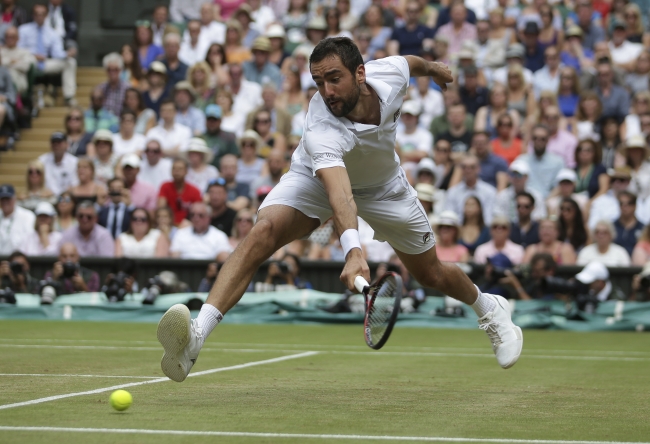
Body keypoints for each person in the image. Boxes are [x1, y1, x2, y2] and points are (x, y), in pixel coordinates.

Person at [156, 37, 523, 383]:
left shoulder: (390, 74)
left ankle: (489, 308)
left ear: (360, 73)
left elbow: (412, 64)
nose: (327, 91)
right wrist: (354, 251)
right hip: (317, 178)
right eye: (319, 82)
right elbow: (339, 193)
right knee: (264, 232)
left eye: (335, 79)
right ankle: (195, 339)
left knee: (431, 274)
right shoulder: (322, 126)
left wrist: (435, 69)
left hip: (384, 188)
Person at [18, 3, 76, 104]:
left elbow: (57, 53)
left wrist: (67, 54)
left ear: (46, 15)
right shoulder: (23, 30)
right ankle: (23, 96)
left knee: (70, 62)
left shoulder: (52, 33)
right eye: (37, 14)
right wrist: (32, 55)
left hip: (45, 63)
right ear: (33, 15)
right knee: (25, 61)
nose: (39, 17)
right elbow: (18, 49)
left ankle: (68, 97)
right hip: (28, 61)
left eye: (42, 14)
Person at [445, 154, 497, 225]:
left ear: (478, 169)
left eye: (472, 167)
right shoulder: (452, 192)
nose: (468, 170)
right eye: (464, 167)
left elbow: (489, 218)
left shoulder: (490, 192)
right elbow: (449, 217)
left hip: (483, 231)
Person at [515, 125, 564, 198]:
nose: (539, 141)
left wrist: (547, 201)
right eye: (535, 138)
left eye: (542, 139)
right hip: (525, 202)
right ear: (531, 139)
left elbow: (560, 186)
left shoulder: (558, 162)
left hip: (548, 201)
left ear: (548, 140)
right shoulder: (522, 160)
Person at [158, 158, 203, 226]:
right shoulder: (165, 186)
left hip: (188, 226)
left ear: (186, 171)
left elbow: (198, 213)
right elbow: (161, 209)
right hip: (168, 225)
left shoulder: (195, 191)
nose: (176, 171)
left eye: (180, 169)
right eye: (174, 169)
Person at [0, 184, 36, 256]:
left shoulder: (27, 216)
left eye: (8, 199)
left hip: (19, 259)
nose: (5, 202)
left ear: (14, 199)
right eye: (2, 199)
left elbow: (31, 242)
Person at [38, 131, 78, 196]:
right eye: (54, 142)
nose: (56, 145)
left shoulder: (74, 162)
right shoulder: (42, 161)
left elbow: (75, 184)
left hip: (68, 197)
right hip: (47, 198)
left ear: (66, 144)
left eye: (59, 142)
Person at [395, 100, 432, 169]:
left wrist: (400, 154)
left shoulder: (425, 135)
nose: (407, 118)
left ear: (416, 117)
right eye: (404, 115)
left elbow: (422, 154)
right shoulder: (395, 135)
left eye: (410, 115)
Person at [201, 104, 239, 169]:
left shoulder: (229, 136)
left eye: (214, 120)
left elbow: (234, 158)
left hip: (224, 173)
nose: (212, 123)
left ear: (220, 121)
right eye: (209, 120)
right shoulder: (200, 138)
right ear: (205, 121)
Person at [0, 26, 33, 95]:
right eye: (7, 37)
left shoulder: (24, 52)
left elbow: (25, 66)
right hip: (2, 82)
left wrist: (5, 63)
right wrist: (11, 61)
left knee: (11, 72)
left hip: (19, 83)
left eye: (12, 37)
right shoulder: (1, 51)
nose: (9, 39)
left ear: (18, 38)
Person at [613, 191, 644, 257]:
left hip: (636, 264)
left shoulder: (643, 229)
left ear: (635, 206)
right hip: (615, 263)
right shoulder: (612, 227)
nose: (625, 206)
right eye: (621, 203)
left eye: (629, 203)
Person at [98, 52, 130, 117]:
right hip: (104, 123)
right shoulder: (100, 88)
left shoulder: (127, 88)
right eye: (109, 70)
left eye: (115, 69)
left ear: (120, 70)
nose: (112, 73)